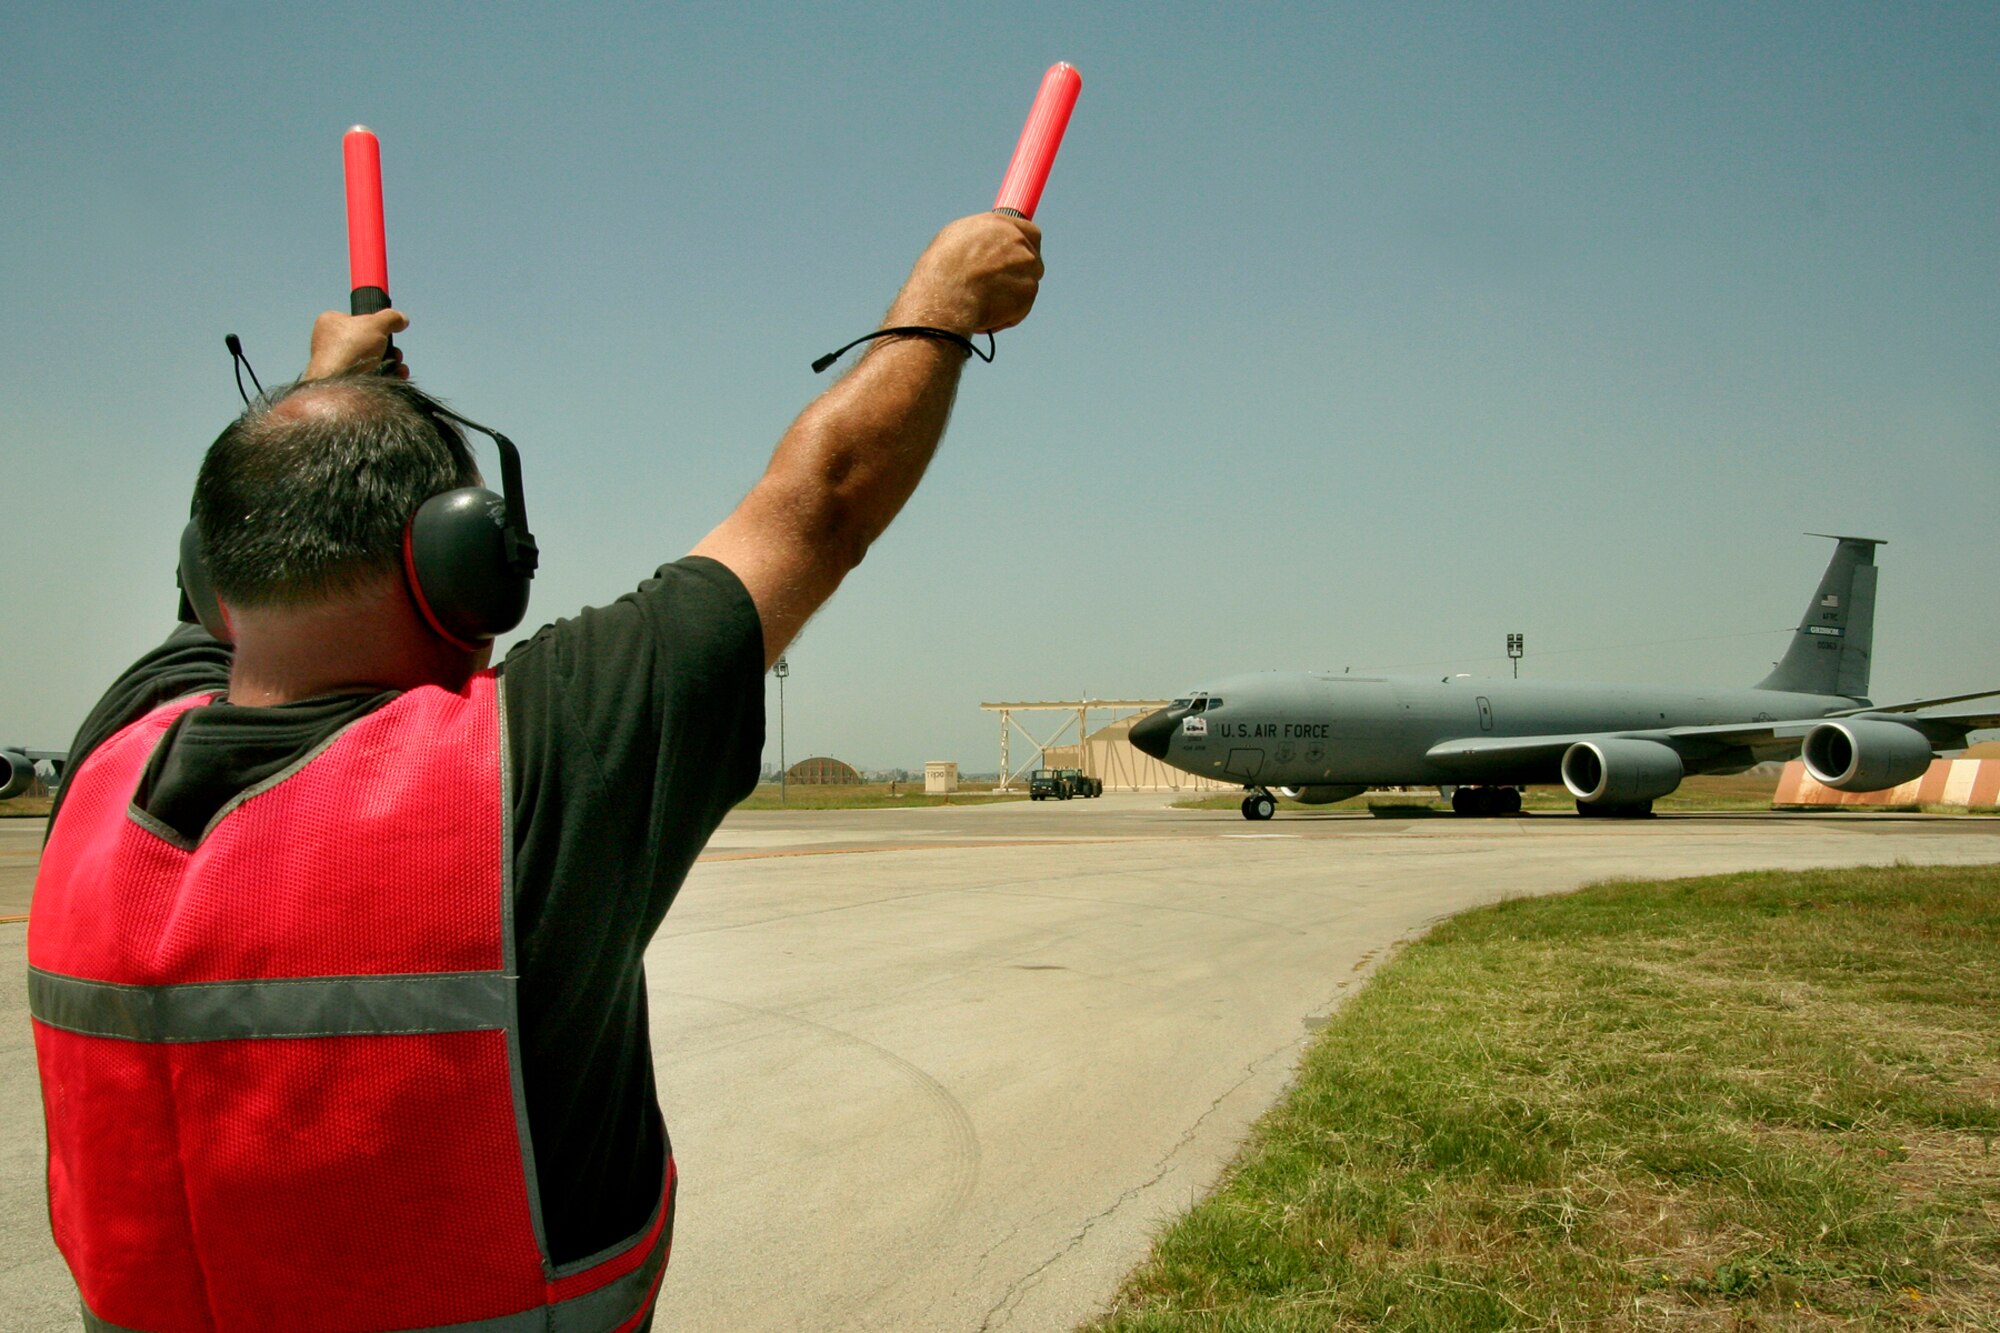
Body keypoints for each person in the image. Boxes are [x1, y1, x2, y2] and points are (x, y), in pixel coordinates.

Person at [28, 212, 1042, 1331]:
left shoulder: (106, 768)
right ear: (465, 567)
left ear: (211, 576)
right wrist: (942, 304)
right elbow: (823, 501)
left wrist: (316, 396)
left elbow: (212, 586)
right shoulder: (522, 769)